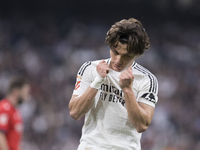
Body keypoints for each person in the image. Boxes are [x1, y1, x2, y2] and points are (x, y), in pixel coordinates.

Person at [69, 18, 158, 150]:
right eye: (115, 52)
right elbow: (75, 112)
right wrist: (98, 80)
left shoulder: (147, 79)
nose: (118, 60)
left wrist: (127, 89)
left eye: (127, 56)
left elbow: (142, 125)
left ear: (137, 54)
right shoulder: (90, 68)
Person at [0, 77, 31, 150]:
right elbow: (0, 134)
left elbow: (15, 142)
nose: (27, 96)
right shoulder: (4, 108)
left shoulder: (16, 112)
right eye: (25, 92)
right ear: (16, 91)